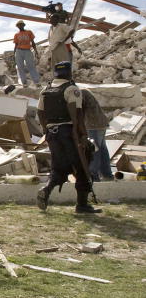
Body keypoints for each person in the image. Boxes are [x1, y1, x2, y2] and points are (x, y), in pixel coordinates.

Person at [36, 62, 101, 214]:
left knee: (59, 167)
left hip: (53, 134)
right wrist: (82, 135)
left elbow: (40, 113)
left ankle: (47, 189)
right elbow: (76, 115)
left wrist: (46, 130)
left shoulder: (45, 90)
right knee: (82, 166)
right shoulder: (71, 89)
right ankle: (82, 205)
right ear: (69, 73)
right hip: (69, 132)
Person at [81, 89, 112, 181]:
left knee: (94, 149)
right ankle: (107, 174)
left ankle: (94, 175)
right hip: (100, 124)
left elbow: (79, 111)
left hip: (93, 125)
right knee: (102, 149)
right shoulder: (83, 91)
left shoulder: (78, 93)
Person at [12, 21, 40, 86]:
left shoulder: (29, 32)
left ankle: (37, 82)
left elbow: (33, 42)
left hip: (27, 50)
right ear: (17, 26)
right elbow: (16, 45)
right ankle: (24, 83)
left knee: (31, 66)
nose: (20, 26)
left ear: (24, 25)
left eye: (21, 24)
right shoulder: (16, 35)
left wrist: (36, 51)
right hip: (19, 51)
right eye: (18, 25)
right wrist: (14, 53)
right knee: (20, 67)